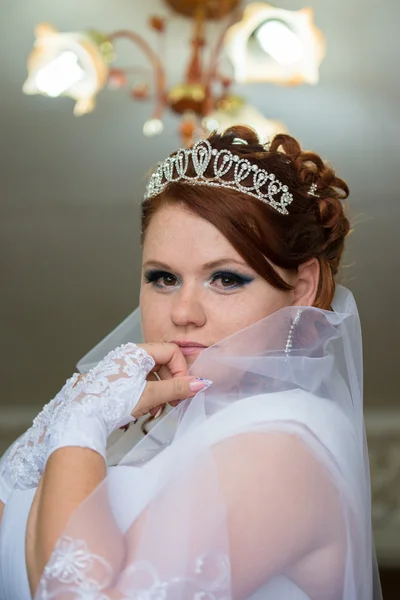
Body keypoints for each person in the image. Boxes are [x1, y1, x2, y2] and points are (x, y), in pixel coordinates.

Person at [0, 126, 381, 599]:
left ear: (302, 288)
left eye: (225, 278)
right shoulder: (134, 431)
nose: (182, 313)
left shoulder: (289, 439)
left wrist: (79, 420)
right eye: (162, 278)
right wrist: (72, 419)